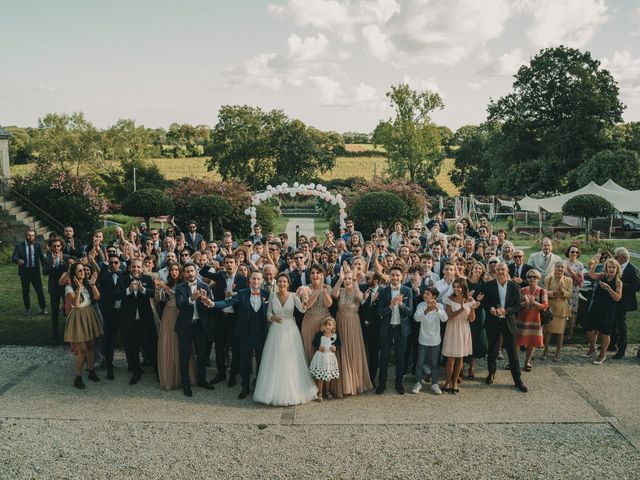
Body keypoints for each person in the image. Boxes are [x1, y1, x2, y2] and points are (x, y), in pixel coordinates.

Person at [253, 273, 318, 406]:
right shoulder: (272, 296)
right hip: (276, 329)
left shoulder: (294, 296)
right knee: (275, 359)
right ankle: (272, 392)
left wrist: (305, 298)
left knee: (291, 359)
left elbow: (303, 309)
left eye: (284, 282)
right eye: (280, 282)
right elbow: (268, 313)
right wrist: (273, 318)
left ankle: (294, 391)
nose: (282, 284)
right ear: (277, 283)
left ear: (288, 284)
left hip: (290, 330)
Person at [212, 271, 271, 399]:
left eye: (258, 279)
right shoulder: (242, 293)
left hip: (261, 335)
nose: (256, 281)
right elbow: (228, 303)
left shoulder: (267, 295)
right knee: (244, 362)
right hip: (245, 334)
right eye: (253, 279)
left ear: (262, 281)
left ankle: (260, 387)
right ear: (250, 281)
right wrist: (213, 304)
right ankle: (245, 387)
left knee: (262, 362)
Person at [201, 255, 248, 386]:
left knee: (235, 348)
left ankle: (233, 374)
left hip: (235, 318)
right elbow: (202, 272)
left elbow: (246, 296)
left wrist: (235, 294)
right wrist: (211, 264)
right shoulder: (220, 276)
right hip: (220, 318)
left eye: (231, 262)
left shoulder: (242, 279)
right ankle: (221, 373)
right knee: (219, 348)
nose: (229, 265)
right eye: (226, 262)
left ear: (236, 264)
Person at [482, 262, 528, 392]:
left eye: (503, 270)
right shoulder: (488, 285)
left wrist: (506, 311)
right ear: (494, 271)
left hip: (508, 322)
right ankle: (491, 373)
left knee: (512, 352)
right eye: (498, 270)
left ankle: (517, 380)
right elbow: (484, 302)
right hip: (493, 321)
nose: (500, 272)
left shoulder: (514, 287)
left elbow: (518, 305)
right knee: (492, 350)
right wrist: (490, 308)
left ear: (507, 271)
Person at [175, 263, 216, 397]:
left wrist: (205, 300)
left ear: (196, 271)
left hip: (200, 326)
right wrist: (191, 299)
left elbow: (211, 306)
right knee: (184, 355)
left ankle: (202, 380)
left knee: (202, 355)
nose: (190, 273)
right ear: (184, 274)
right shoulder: (180, 288)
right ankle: (185, 383)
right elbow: (180, 305)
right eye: (187, 272)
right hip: (185, 326)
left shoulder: (204, 286)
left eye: (192, 271)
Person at [332, 269, 372, 396]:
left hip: (353, 323)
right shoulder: (341, 291)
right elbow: (334, 294)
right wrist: (340, 279)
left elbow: (360, 299)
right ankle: (343, 382)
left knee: (352, 350)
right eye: (346, 279)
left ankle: (354, 383)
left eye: (349, 279)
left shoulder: (357, 291)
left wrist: (355, 281)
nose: (347, 281)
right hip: (340, 322)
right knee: (341, 349)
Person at [64, 263, 103, 389]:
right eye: (79, 270)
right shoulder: (69, 287)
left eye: (83, 270)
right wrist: (79, 288)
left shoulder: (88, 284)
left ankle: (91, 371)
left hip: (89, 313)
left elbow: (97, 297)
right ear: (74, 272)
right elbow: (74, 303)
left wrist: (92, 285)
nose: (82, 272)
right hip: (78, 316)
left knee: (91, 345)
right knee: (82, 349)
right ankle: (78, 377)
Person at [377, 265, 413, 395]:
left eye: (397, 275)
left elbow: (409, 312)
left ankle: (399, 383)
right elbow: (379, 311)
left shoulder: (408, 291)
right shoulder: (383, 291)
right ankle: (382, 383)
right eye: (392, 275)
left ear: (402, 276)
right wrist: (391, 307)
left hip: (401, 329)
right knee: (384, 358)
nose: (395, 277)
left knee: (400, 358)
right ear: (389, 276)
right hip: (387, 329)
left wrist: (401, 304)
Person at [120, 259, 157, 385]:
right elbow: (116, 294)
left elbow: (154, 294)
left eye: (138, 267)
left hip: (145, 320)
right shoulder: (123, 279)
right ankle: (136, 372)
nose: (136, 269)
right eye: (133, 266)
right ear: (129, 268)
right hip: (128, 320)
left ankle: (158, 371)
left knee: (151, 345)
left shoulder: (147, 279)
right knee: (131, 347)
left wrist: (143, 290)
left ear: (142, 268)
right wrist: (128, 290)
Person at [442, 278, 479, 394]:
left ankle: (455, 383)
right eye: (455, 287)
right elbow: (449, 316)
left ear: (464, 288)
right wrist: (462, 308)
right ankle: (447, 382)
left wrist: (472, 309)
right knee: (450, 359)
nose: (456, 289)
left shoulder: (470, 300)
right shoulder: (450, 299)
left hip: (464, 328)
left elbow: (472, 319)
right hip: (452, 328)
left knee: (460, 358)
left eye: (459, 287)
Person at [585, 258, 623, 365]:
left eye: (613, 267)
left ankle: (602, 355)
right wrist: (596, 262)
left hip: (608, 310)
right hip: (596, 307)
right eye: (609, 267)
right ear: (606, 268)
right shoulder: (602, 276)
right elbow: (591, 275)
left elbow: (618, 298)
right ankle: (592, 349)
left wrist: (608, 288)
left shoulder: (618, 282)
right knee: (590, 330)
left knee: (605, 333)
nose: (611, 269)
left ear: (617, 269)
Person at [412, 286, 447, 395]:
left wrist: (437, 308)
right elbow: (416, 318)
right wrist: (426, 310)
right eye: (424, 293)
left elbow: (445, 318)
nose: (424, 295)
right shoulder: (421, 305)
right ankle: (418, 382)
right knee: (420, 362)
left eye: (427, 294)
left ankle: (435, 383)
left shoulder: (440, 305)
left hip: (436, 339)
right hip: (423, 338)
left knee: (435, 363)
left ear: (434, 296)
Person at [301, 264, 334, 363]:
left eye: (318, 273)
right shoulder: (305, 289)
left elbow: (329, 304)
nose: (315, 275)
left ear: (322, 275)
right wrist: (317, 291)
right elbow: (307, 305)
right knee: (311, 348)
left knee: (325, 349)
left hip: (325, 322)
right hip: (310, 321)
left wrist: (323, 291)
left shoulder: (328, 288)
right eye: (312, 273)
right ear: (309, 276)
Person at [612, 247, 640, 359]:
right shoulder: (617, 267)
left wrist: (621, 284)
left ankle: (621, 350)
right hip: (615, 299)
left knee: (621, 325)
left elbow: (637, 286)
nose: (614, 258)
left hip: (624, 302)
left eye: (616, 256)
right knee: (612, 322)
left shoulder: (632, 269)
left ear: (623, 257)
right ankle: (611, 345)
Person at [516, 269, 546, 371]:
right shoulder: (522, 290)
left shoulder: (542, 291)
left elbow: (545, 307)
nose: (532, 279)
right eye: (530, 277)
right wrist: (525, 302)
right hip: (522, 318)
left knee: (532, 342)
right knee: (517, 341)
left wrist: (534, 303)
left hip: (535, 319)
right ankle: (514, 361)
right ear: (527, 278)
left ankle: (527, 361)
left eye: (535, 277)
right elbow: (516, 306)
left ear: (538, 279)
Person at [12, 229, 47, 315]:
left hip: (35, 272)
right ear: (25, 236)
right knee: (25, 291)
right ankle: (27, 308)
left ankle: (43, 308)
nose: (30, 237)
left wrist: (45, 269)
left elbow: (42, 258)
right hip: (24, 272)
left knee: (39, 290)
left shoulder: (37, 246)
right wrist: (18, 260)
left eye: (32, 236)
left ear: (34, 237)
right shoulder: (19, 246)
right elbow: (13, 257)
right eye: (28, 235)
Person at [543, 262, 572, 362]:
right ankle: (546, 350)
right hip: (550, 308)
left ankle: (558, 351)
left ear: (564, 269)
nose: (560, 269)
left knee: (560, 333)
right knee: (548, 331)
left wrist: (563, 291)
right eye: (558, 267)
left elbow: (569, 294)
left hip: (562, 308)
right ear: (554, 268)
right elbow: (544, 292)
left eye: (562, 267)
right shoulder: (548, 279)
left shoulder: (568, 280)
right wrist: (555, 292)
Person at [42, 238, 69, 340]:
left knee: (67, 312)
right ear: (50, 247)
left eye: (58, 246)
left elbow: (70, 270)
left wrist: (62, 261)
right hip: (53, 289)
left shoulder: (66, 257)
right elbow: (44, 272)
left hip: (65, 288)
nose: (56, 248)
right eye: (54, 246)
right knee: (54, 312)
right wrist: (53, 265)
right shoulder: (47, 259)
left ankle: (68, 334)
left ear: (61, 246)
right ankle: (55, 335)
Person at [310, 317, 341, 401]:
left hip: (330, 358)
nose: (327, 327)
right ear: (322, 326)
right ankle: (320, 393)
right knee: (320, 377)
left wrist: (335, 347)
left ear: (333, 327)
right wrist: (318, 347)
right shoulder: (319, 335)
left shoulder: (335, 335)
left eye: (329, 325)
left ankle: (327, 392)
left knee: (328, 376)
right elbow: (314, 343)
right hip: (321, 357)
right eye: (325, 325)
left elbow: (338, 344)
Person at [466, 262, 488, 379]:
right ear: (472, 269)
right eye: (476, 268)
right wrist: (470, 297)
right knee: (465, 338)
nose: (478, 270)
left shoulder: (484, 284)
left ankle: (471, 367)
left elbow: (486, 301)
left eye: (480, 269)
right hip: (465, 314)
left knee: (476, 340)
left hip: (479, 314)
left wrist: (478, 300)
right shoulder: (465, 282)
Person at [564, 245, 584, 343]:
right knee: (563, 311)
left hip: (574, 291)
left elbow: (580, 281)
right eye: (572, 252)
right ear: (568, 253)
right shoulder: (563, 263)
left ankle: (570, 332)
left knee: (572, 312)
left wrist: (572, 272)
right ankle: (561, 331)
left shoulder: (580, 265)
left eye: (576, 252)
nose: (574, 254)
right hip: (564, 290)